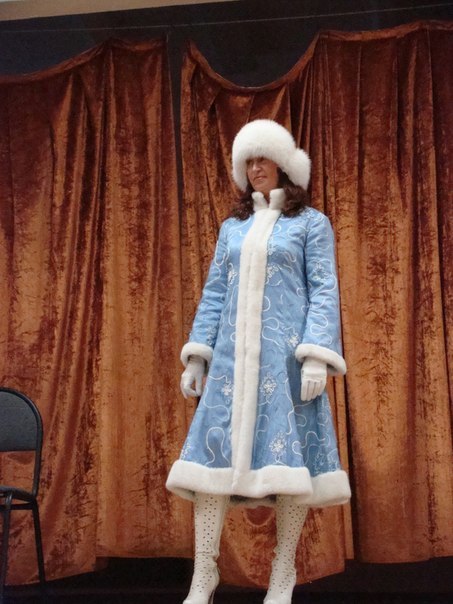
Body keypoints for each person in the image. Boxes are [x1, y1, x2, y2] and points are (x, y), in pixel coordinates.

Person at [166, 119, 351, 604]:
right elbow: (214, 293)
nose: (254, 168)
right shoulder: (233, 228)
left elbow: (324, 290)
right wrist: (197, 357)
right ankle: (203, 574)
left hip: (284, 366)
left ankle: (282, 573)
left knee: (289, 468)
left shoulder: (310, 224)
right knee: (210, 466)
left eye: (262, 158)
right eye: (247, 161)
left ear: (283, 165)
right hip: (230, 368)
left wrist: (315, 356)